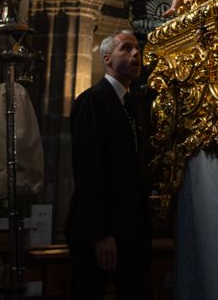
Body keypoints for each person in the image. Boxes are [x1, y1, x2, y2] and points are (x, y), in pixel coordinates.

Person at [68, 30, 152, 300]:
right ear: (107, 58)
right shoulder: (94, 100)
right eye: (126, 49)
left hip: (129, 227)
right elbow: (89, 169)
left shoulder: (132, 106)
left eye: (138, 49)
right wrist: (101, 233)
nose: (136, 54)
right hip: (99, 229)